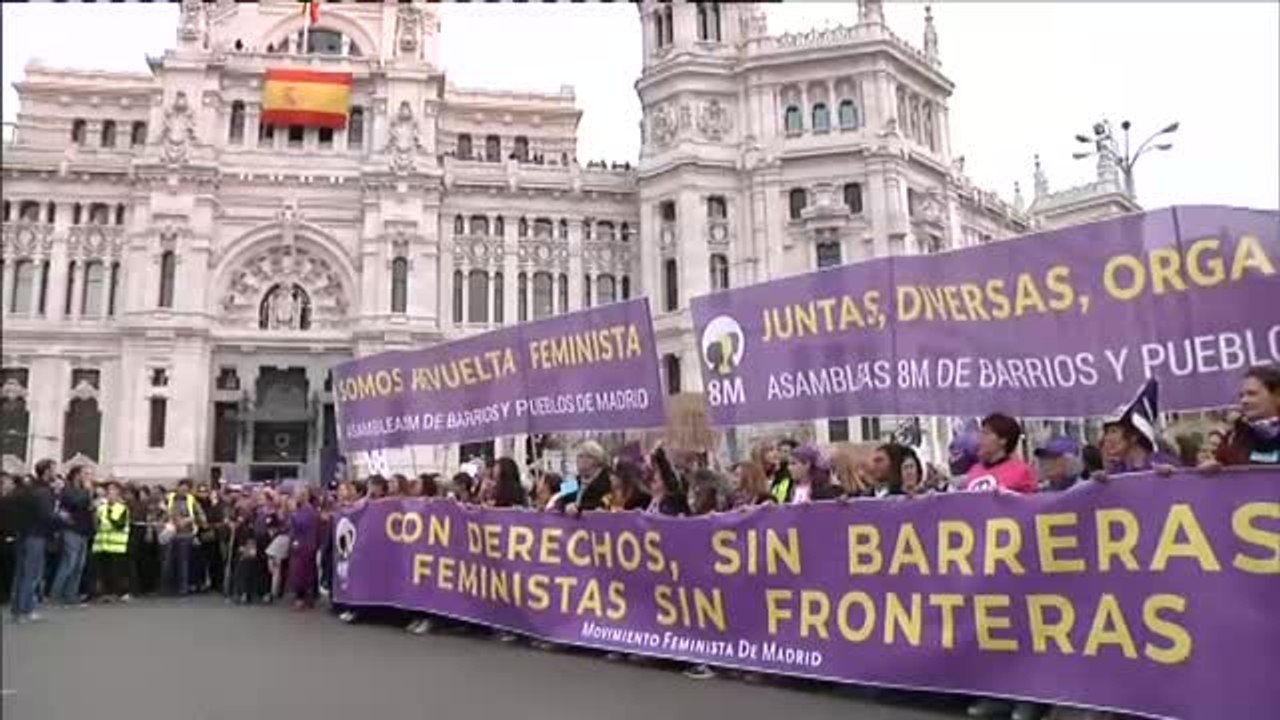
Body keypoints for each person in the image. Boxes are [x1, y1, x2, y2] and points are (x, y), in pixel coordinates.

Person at [10, 460, 59, 622]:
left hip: (23, 533)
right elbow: (47, 514)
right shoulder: (43, 491)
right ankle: (25, 610)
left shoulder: (28, 489)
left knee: (21, 573)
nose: (55, 473)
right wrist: (62, 519)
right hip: (36, 535)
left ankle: (17, 609)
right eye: (53, 470)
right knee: (31, 574)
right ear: (46, 471)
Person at [1207, 365, 1280, 467]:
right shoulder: (1234, 434)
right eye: (1241, 395)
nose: (1244, 401)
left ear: (1277, 395)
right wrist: (1211, 470)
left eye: (1252, 394)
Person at [49, 465, 93, 606]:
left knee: (79, 565)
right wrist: (87, 490)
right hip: (72, 529)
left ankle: (71, 595)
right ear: (77, 475)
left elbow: (88, 506)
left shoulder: (84, 490)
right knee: (69, 563)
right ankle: (56, 595)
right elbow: (75, 503)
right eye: (85, 473)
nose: (88, 476)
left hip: (83, 530)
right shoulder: (68, 489)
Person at [964, 413, 1038, 494]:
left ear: (1003, 440)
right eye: (980, 433)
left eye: (986, 433)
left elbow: (1030, 503)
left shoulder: (1022, 471)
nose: (980, 438)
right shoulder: (974, 470)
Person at [162, 479, 205, 596]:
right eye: (182, 488)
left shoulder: (191, 500)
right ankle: (167, 587)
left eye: (186, 489)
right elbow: (160, 512)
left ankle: (183, 588)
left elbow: (200, 515)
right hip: (170, 533)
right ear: (178, 487)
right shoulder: (169, 498)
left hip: (186, 534)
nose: (183, 491)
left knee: (183, 562)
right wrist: (166, 515)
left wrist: (189, 520)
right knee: (168, 562)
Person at [91, 481, 131, 602]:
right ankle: (104, 593)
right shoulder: (100, 508)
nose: (110, 494)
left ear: (118, 493)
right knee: (103, 571)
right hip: (101, 544)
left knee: (117, 571)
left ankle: (118, 592)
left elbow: (119, 524)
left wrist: (108, 514)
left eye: (113, 491)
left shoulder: (122, 508)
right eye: (108, 491)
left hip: (116, 545)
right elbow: (96, 524)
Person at [286, 488, 321, 609]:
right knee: (301, 571)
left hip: (304, 544)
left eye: (297, 496)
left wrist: (293, 513)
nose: (295, 498)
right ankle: (306, 597)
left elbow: (301, 524)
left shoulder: (308, 511)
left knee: (302, 572)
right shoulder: (303, 509)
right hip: (301, 544)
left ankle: (302, 597)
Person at [556, 441, 612, 515]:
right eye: (579, 456)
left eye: (583, 456)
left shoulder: (607, 481)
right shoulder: (573, 481)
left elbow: (600, 505)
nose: (579, 460)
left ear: (596, 460)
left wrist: (577, 509)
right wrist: (564, 507)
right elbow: (558, 500)